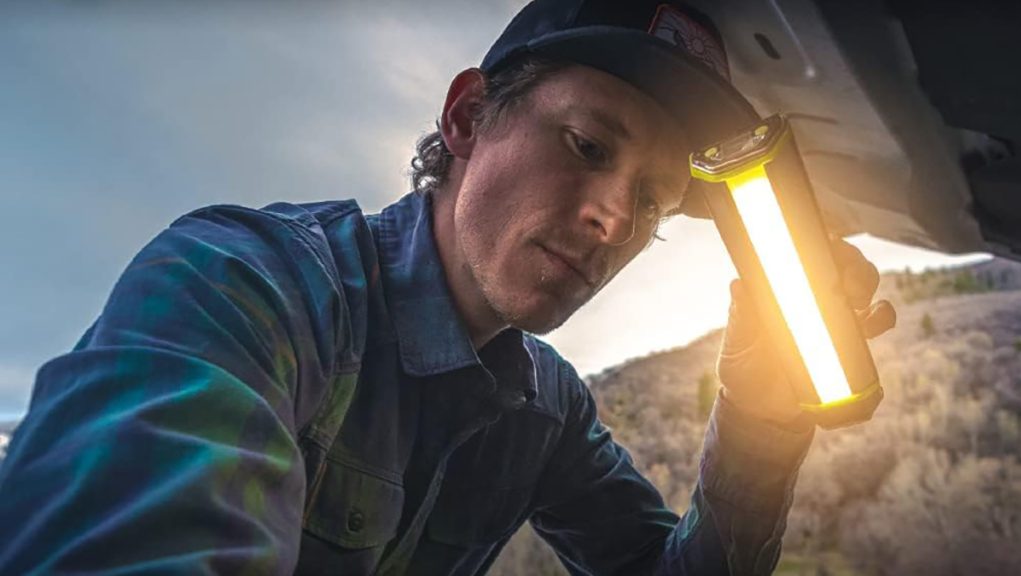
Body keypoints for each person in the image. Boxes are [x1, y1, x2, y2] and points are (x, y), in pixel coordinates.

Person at [0, 0, 896, 574]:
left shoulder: (547, 410)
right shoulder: (246, 285)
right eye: (588, 147)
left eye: (655, 200)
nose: (616, 221)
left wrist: (760, 419)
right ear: (467, 117)